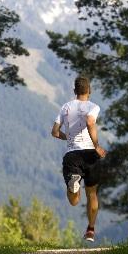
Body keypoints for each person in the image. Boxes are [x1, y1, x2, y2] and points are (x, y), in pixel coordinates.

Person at [51, 76, 106, 242]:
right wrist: (96, 145)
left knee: (74, 201)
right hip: (90, 155)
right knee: (92, 194)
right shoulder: (93, 107)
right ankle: (90, 230)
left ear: (75, 91)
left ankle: (73, 186)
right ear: (89, 91)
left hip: (72, 155)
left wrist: (67, 137)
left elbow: (54, 131)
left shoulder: (65, 107)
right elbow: (90, 122)